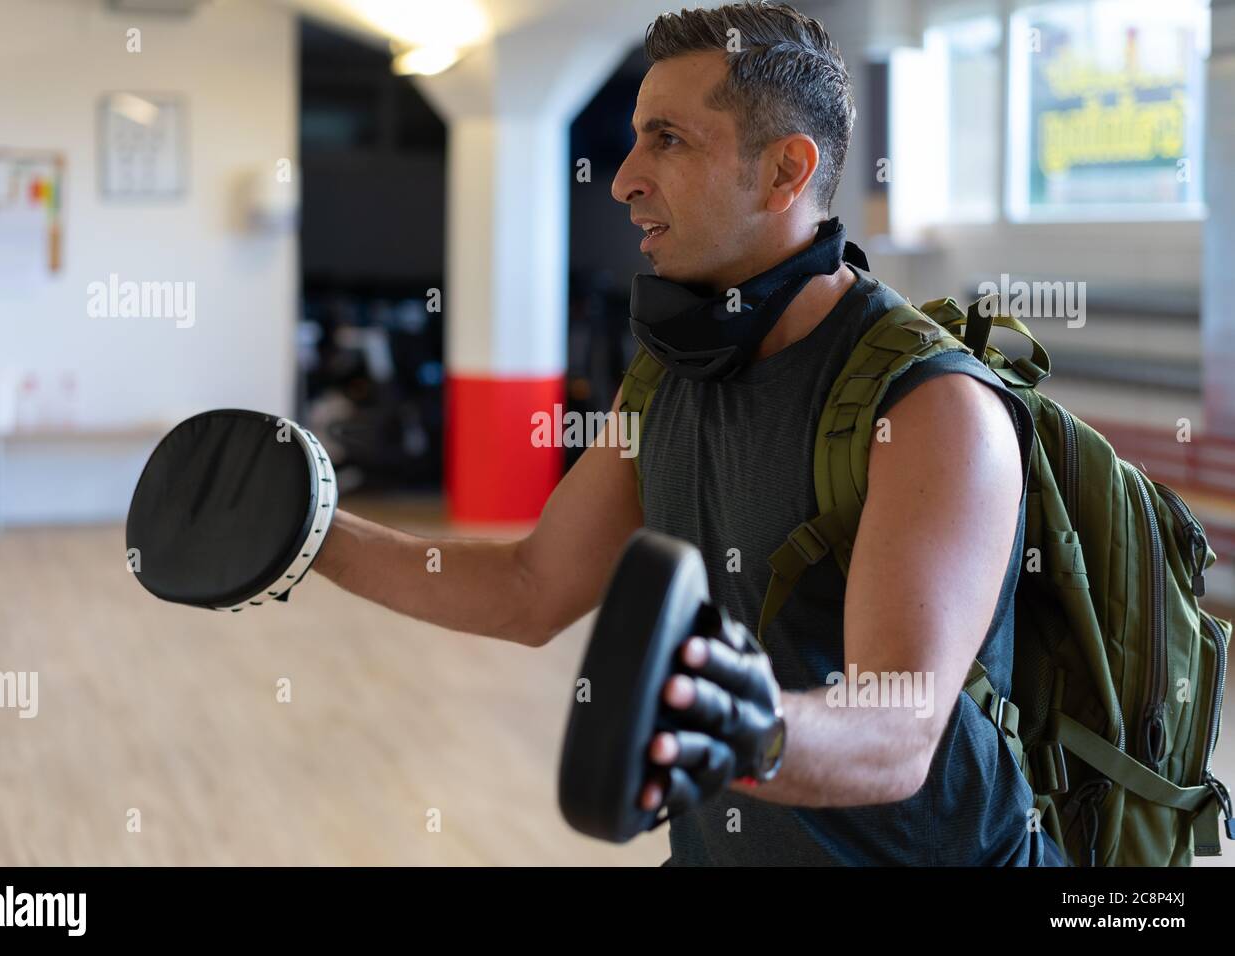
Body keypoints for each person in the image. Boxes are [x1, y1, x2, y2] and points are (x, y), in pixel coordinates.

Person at [314, 1, 1058, 866]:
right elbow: (529, 586)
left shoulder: (930, 406)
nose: (625, 177)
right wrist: (313, 536)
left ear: (785, 172)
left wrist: (747, 729)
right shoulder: (669, 373)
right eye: (636, 138)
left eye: (667, 139)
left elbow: (899, 730)